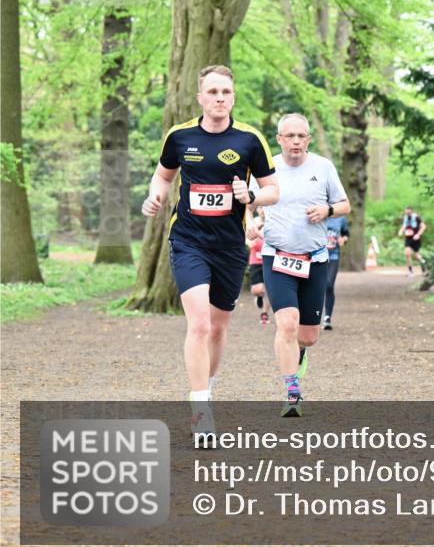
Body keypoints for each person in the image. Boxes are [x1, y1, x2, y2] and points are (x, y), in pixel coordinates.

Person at [141, 65, 279, 447]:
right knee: (199, 324)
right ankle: (201, 412)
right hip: (188, 240)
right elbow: (163, 176)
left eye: (226, 92)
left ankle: (208, 386)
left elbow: (273, 190)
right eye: (213, 92)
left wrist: (250, 196)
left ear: (233, 98)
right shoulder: (180, 136)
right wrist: (155, 195)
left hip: (230, 245)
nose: (220, 98)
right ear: (200, 97)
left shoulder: (250, 140)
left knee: (218, 328)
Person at [246, 113, 350, 417]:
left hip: (314, 258)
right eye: (289, 136)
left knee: (307, 335)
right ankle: (292, 392)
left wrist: (327, 209)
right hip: (276, 256)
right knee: (287, 323)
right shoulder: (267, 170)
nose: (295, 141)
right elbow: (247, 204)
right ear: (279, 139)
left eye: (301, 136)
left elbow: (344, 205)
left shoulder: (323, 167)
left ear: (308, 139)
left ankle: (300, 352)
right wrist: (250, 223)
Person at [322, 215, 349, 330]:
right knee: (316, 287)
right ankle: (313, 317)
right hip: (318, 257)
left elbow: (346, 234)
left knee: (329, 285)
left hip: (334, 256)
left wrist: (344, 239)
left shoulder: (341, 218)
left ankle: (327, 317)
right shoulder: (319, 215)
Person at [247, 230, 269, 324]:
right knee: (257, 290)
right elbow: (247, 239)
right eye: (261, 213)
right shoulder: (255, 221)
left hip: (268, 260)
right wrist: (249, 242)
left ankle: (265, 314)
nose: (263, 213)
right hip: (255, 262)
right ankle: (259, 296)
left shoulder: (273, 220)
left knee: (268, 289)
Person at [397, 207, 426, 276]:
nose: (407, 214)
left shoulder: (416, 217)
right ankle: (410, 272)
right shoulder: (405, 218)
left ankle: (423, 264)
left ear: (412, 212)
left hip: (416, 238)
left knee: (416, 255)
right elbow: (404, 226)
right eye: (406, 213)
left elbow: (423, 227)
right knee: (407, 254)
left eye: (409, 213)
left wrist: (418, 234)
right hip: (408, 238)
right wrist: (401, 231)